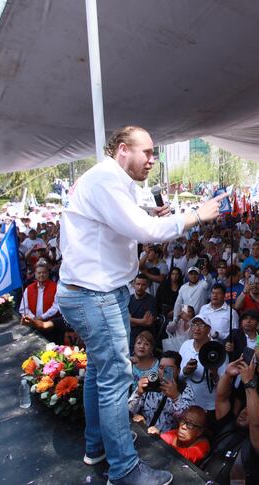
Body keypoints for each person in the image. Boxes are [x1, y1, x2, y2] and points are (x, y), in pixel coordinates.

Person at [55, 125, 224, 485]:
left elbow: (127, 225)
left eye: (154, 153)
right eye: (146, 152)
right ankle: (125, 470)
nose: (153, 159)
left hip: (95, 291)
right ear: (121, 150)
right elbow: (145, 233)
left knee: (101, 374)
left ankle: (98, 445)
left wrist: (150, 216)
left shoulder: (114, 183)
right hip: (94, 295)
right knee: (115, 380)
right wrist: (196, 215)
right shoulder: (105, 179)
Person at [129, 350, 195, 435]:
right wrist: (138, 393)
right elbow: (130, 411)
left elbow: (187, 423)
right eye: (161, 368)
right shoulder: (150, 382)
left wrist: (176, 397)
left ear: (178, 370)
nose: (164, 372)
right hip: (142, 433)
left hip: (164, 442)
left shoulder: (185, 389)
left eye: (169, 369)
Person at [179, 315, 226, 413]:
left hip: (208, 407)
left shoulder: (217, 349)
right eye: (194, 324)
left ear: (209, 329)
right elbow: (177, 375)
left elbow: (224, 385)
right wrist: (185, 371)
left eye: (202, 325)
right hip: (185, 404)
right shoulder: (185, 345)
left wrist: (214, 374)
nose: (197, 328)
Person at [18, 262, 64, 342]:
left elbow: (56, 306)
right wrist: (33, 318)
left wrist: (42, 317)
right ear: (35, 274)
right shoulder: (29, 288)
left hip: (51, 325)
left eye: (44, 272)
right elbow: (23, 308)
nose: (41, 275)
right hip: (33, 324)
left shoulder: (55, 287)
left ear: (48, 273)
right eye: (39, 273)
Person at [128, 274, 157, 344]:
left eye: (143, 285)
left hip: (145, 333)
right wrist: (142, 321)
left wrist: (131, 320)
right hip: (129, 331)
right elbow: (124, 320)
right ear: (133, 285)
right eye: (138, 284)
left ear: (147, 286)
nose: (140, 287)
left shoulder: (151, 300)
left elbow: (148, 322)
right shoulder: (128, 299)